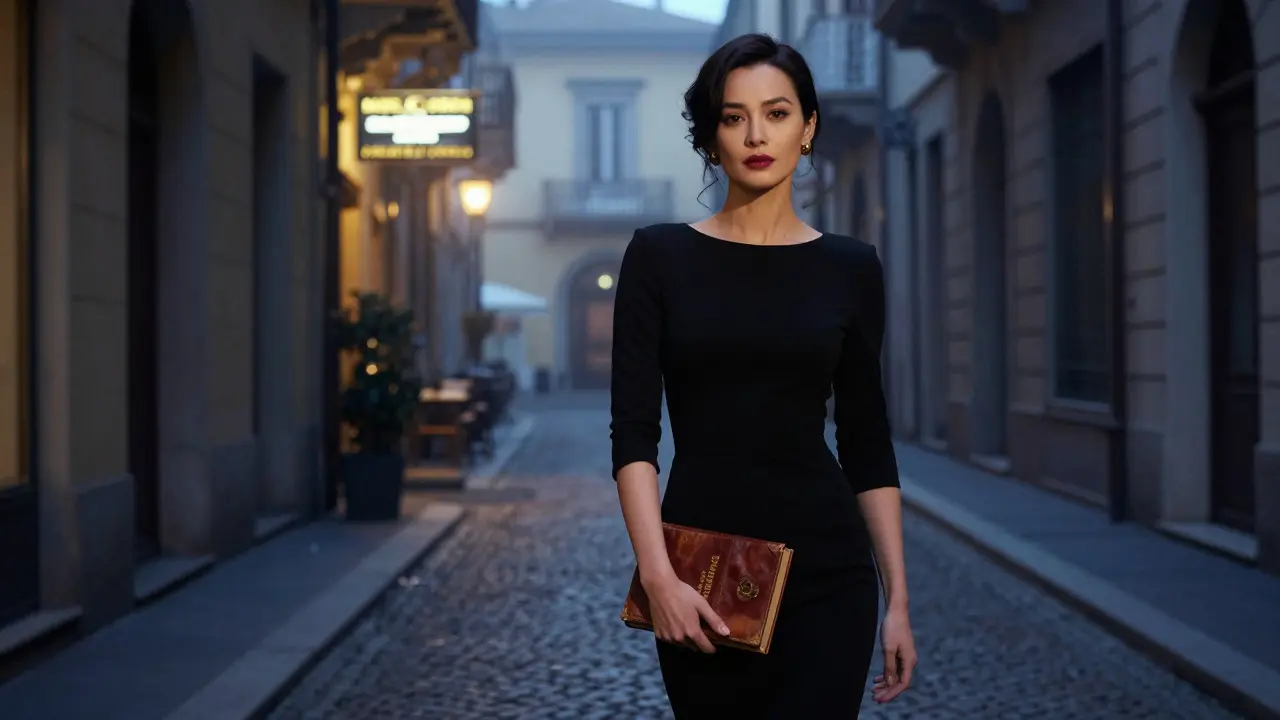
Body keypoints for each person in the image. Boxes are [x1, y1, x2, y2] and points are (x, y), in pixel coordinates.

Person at [610, 33, 917, 717]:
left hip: (830, 572)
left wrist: (897, 600)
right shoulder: (658, 258)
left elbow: (868, 443)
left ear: (808, 129)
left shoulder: (851, 266)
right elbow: (632, 436)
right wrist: (657, 576)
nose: (756, 134)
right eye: (733, 116)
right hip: (703, 574)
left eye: (777, 114)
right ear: (711, 135)